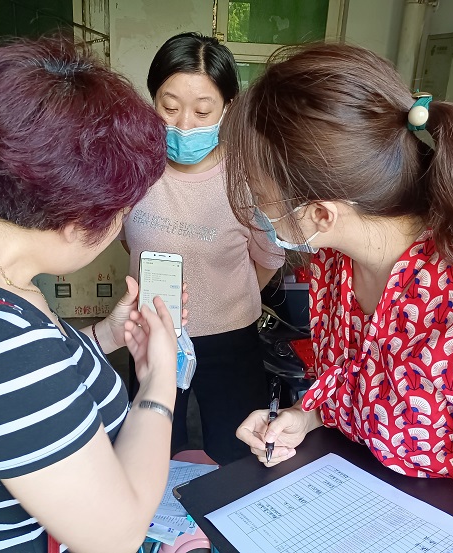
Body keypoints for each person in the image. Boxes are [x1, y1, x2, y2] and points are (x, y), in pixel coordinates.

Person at [225, 42, 453, 550]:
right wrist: (306, 417)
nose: (259, 210)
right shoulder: (335, 266)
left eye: (262, 197)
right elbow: (356, 386)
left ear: (321, 213)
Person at [0, 36, 187, 553]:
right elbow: (116, 536)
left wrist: (105, 335)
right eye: (119, 214)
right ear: (76, 224)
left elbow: (13, 390)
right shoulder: (8, 353)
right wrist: (159, 382)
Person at [120, 32, 285, 466]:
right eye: (169, 107)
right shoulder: (132, 171)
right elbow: (127, 242)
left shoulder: (247, 177)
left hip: (231, 342)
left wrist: (221, 302)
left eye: (202, 110)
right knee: (152, 453)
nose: (184, 125)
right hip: (150, 336)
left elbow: (268, 259)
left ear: (226, 107)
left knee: (237, 454)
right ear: (152, 101)